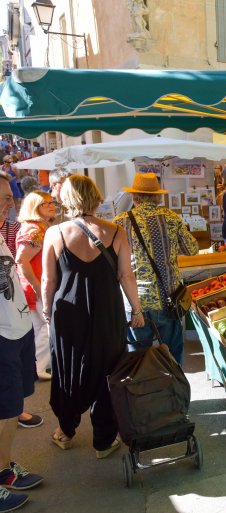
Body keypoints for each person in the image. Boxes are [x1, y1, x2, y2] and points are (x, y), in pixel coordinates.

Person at [41, 175, 144, 457]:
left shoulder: (55, 233)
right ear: (96, 198)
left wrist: (47, 311)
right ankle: (103, 439)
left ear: (66, 199)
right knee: (107, 371)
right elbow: (126, 275)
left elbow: (48, 281)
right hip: (107, 313)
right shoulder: (116, 231)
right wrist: (136, 309)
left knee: (68, 370)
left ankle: (65, 431)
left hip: (67, 314)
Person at [114, 173, 198, 364]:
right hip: (168, 299)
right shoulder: (171, 217)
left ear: (134, 197)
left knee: (138, 357)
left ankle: (143, 391)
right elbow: (192, 249)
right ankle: (175, 389)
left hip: (135, 301)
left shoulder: (120, 222)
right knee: (172, 353)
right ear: (158, 197)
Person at [0, 171, 44, 511]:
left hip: (15, 328)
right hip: (2, 335)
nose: (7, 205)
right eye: (1, 199)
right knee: (4, 410)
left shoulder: (4, 232)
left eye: (9, 199)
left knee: (11, 409)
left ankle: (4, 469)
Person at [15, 191, 57, 381]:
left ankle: (34, 367)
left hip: (34, 285)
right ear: (34, 207)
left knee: (40, 327)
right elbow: (22, 260)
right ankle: (38, 367)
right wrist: (38, 287)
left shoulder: (38, 227)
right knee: (49, 326)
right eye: (44, 203)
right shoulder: (35, 230)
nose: (51, 205)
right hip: (37, 286)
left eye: (51, 202)